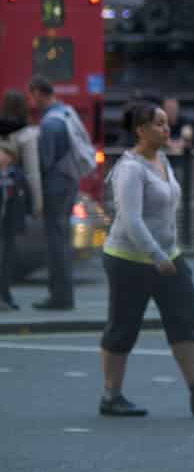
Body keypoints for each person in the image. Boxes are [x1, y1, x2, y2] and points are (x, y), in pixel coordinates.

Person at [97, 100, 194, 418]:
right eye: (159, 124)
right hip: (129, 259)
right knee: (123, 328)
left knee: (184, 317)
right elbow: (131, 220)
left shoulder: (162, 158)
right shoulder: (130, 169)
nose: (166, 128)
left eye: (166, 122)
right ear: (141, 130)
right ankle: (111, 395)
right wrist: (156, 256)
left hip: (169, 257)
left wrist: (167, 252)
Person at [26, 76, 93, 311]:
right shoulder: (67, 113)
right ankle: (64, 295)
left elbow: (44, 162)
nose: (31, 102)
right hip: (69, 182)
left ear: (38, 92)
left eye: (32, 96)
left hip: (54, 186)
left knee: (55, 243)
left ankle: (59, 297)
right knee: (62, 240)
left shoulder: (49, 124)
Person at [0, 90, 45, 312]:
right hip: (12, 198)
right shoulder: (27, 134)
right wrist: (37, 204)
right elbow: (32, 173)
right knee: (8, 247)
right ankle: (4, 294)